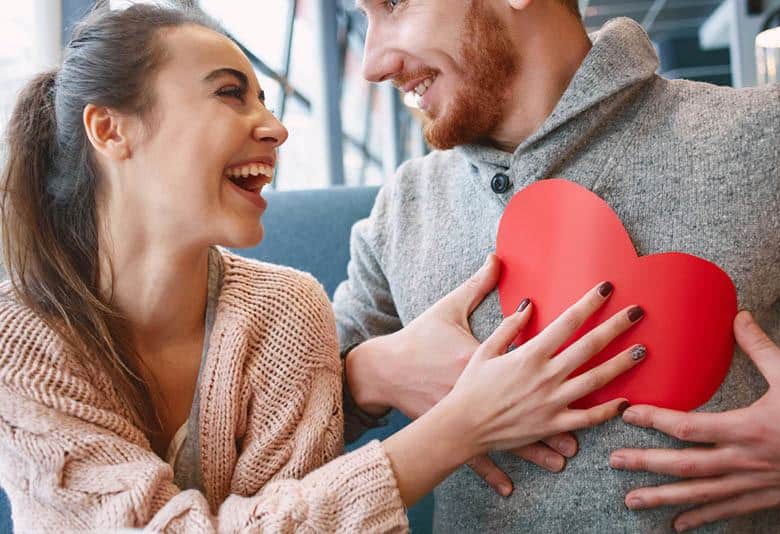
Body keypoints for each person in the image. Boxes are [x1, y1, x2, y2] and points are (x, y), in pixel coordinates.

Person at [0, 3, 649, 532]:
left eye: (265, 98)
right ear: (110, 130)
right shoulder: (17, 340)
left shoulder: (286, 310)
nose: (275, 127)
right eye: (230, 94)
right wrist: (458, 425)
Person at [335, 0, 780, 532]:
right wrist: (371, 372)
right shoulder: (401, 209)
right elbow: (279, 435)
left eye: (393, 3)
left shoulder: (775, 138)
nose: (372, 64)